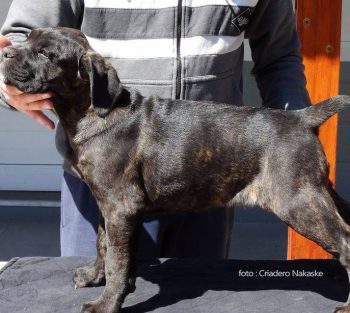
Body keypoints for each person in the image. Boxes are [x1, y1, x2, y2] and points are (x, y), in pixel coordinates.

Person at [0, 0, 310, 258]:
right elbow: (20, 42)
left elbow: (279, 57)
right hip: (103, 180)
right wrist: (9, 86)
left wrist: (289, 149)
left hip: (210, 180)